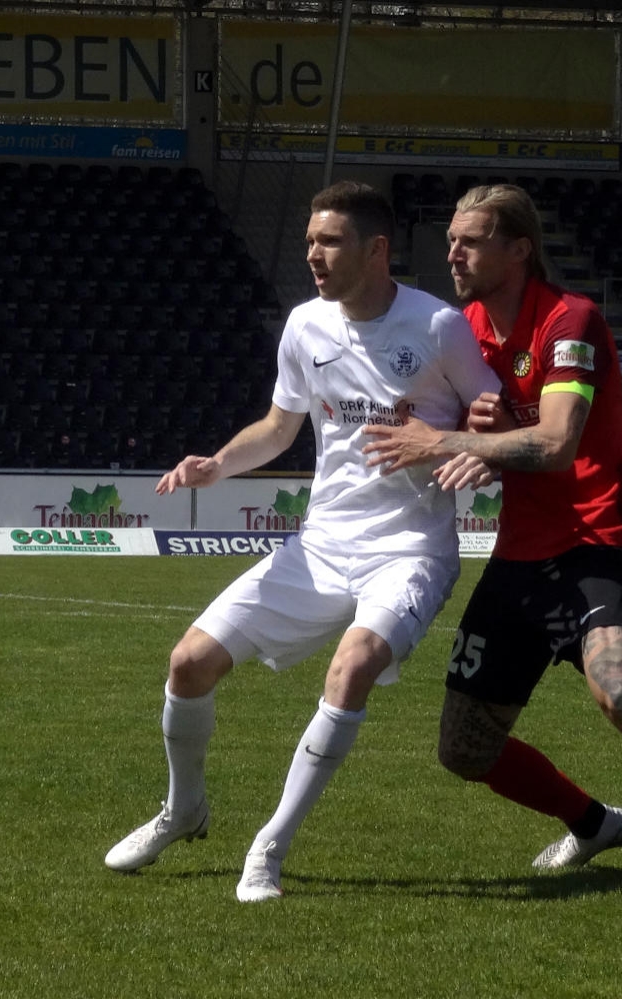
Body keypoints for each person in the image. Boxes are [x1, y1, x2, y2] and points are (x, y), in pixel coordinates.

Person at [362, 183, 622, 910]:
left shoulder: (570, 319)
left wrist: (454, 440)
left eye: (470, 241)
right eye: (450, 241)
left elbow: (558, 442)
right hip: (517, 558)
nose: (453, 253)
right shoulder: (462, 329)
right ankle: (594, 823)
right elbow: (461, 421)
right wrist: (471, 435)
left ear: (518, 249)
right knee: (463, 749)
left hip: (591, 544)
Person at [104, 181, 501, 901]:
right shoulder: (305, 325)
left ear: (376, 250)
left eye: (330, 241)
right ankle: (183, 809)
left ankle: (269, 847)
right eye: (310, 241)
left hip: (410, 548)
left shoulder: (438, 326)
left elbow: (492, 416)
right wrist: (218, 463)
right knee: (188, 663)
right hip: (319, 545)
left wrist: (461, 445)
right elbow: (279, 426)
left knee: (352, 668)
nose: (314, 255)